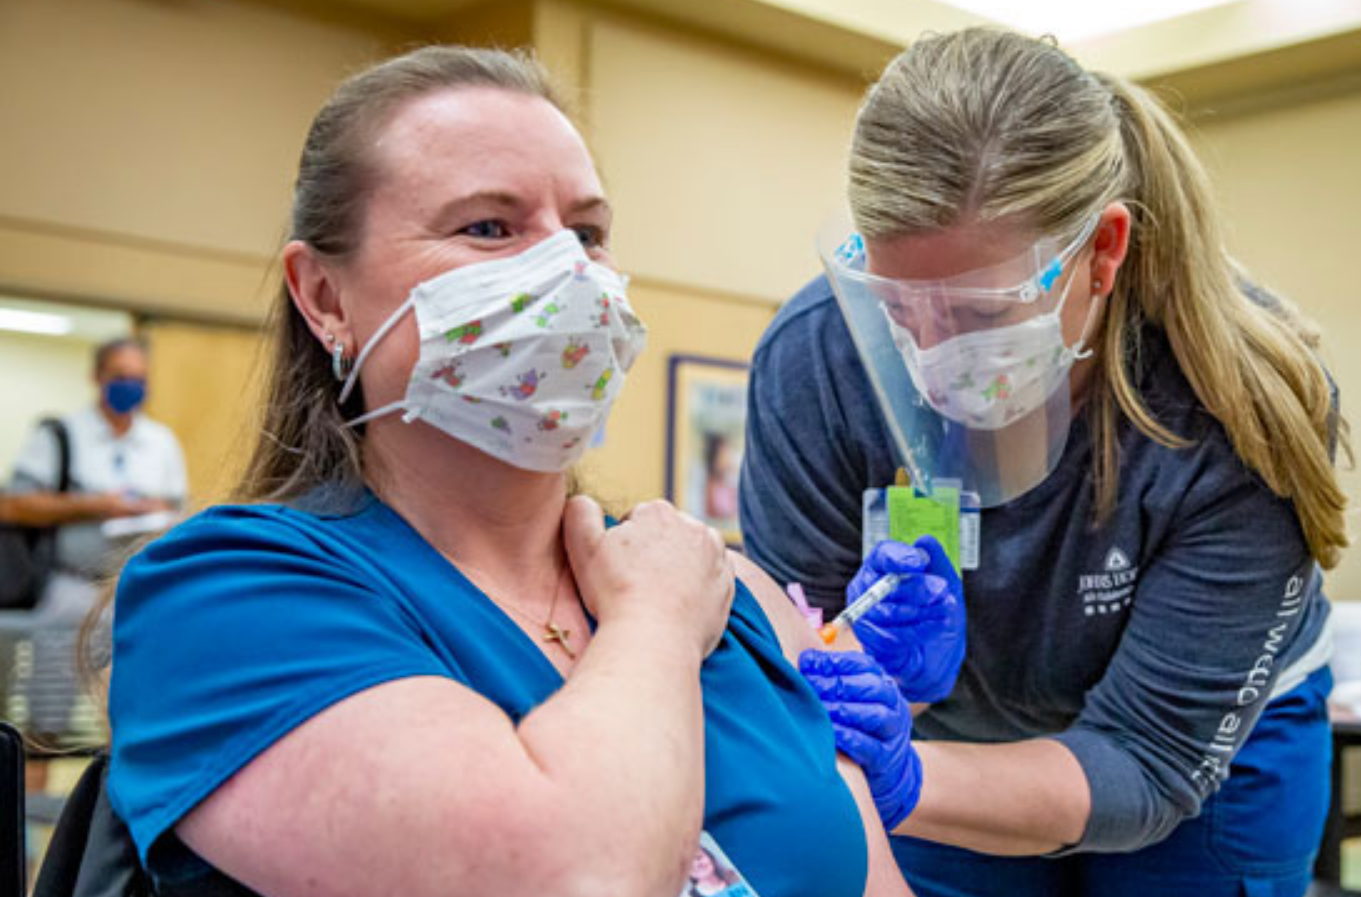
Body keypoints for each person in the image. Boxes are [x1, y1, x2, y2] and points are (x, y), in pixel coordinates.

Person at [101, 46, 911, 897]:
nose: (572, 275)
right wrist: (657, 624)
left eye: (588, 233)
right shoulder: (223, 598)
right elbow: (574, 876)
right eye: (489, 227)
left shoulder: (730, 593)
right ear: (326, 299)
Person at [741, 28, 1349, 897]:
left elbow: (1147, 760)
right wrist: (877, 687)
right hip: (944, 730)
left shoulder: (1239, 397)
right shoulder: (818, 361)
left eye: (981, 312)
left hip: (1200, 742)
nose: (929, 351)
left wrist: (910, 779)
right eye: (900, 306)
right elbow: (796, 661)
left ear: (1103, 253)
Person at [3, 337, 185, 788]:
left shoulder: (160, 443)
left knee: (127, 720)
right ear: (98, 377)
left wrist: (153, 511)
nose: (130, 388)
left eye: (139, 380)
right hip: (69, 593)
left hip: (134, 593)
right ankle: (25, 845)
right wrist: (96, 505)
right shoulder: (61, 435)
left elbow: (179, 511)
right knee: (46, 723)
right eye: (121, 377)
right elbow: (14, 506)